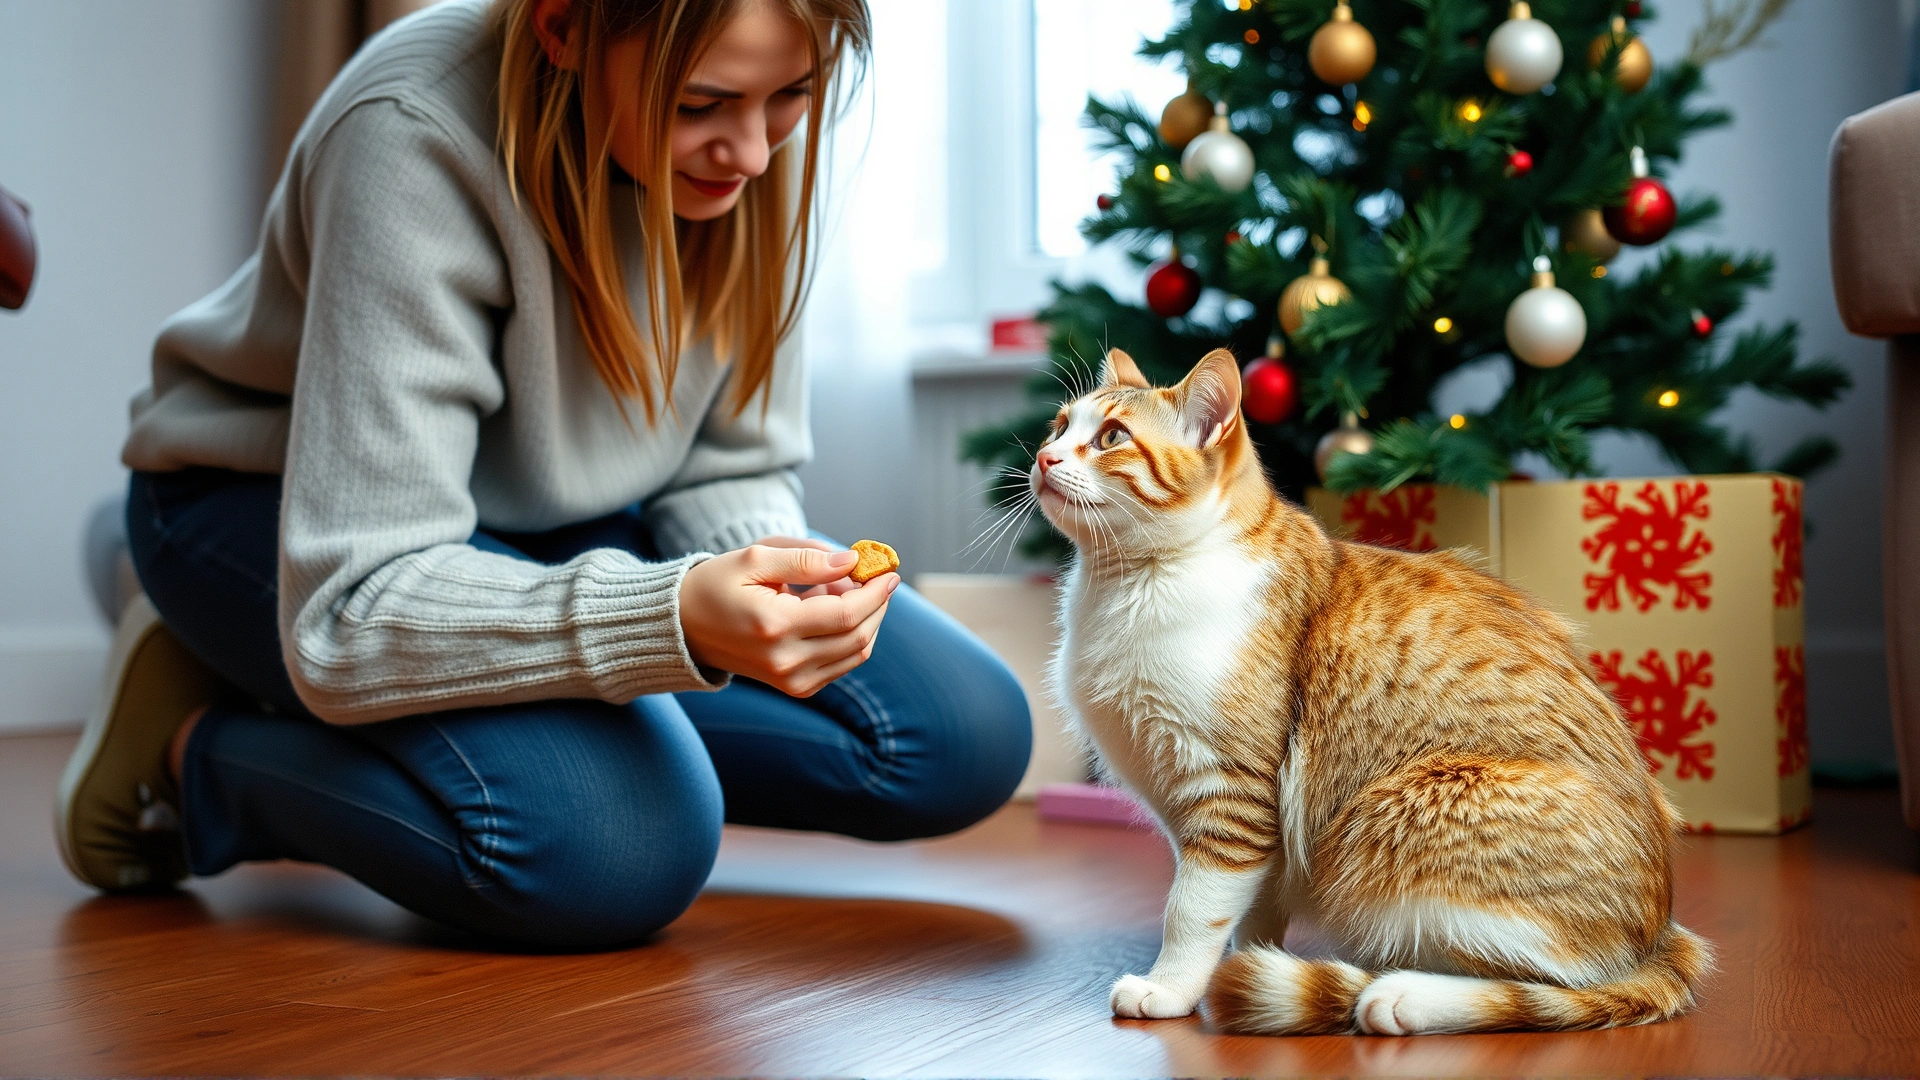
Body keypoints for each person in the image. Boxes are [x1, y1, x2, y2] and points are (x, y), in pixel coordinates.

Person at [55, 0, 1031, 950]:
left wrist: (765, 589)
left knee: (961, 734)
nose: (755, 152)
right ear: (562, 27)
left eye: (794, 93)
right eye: (699, 105)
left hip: (553, 528)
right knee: (618, 848)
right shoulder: (412, 131)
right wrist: (668, 620)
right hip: (286, 520)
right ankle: (191, 753)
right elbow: (358, 600)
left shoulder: (753, 128)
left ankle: (418, 708)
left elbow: (729, 464)